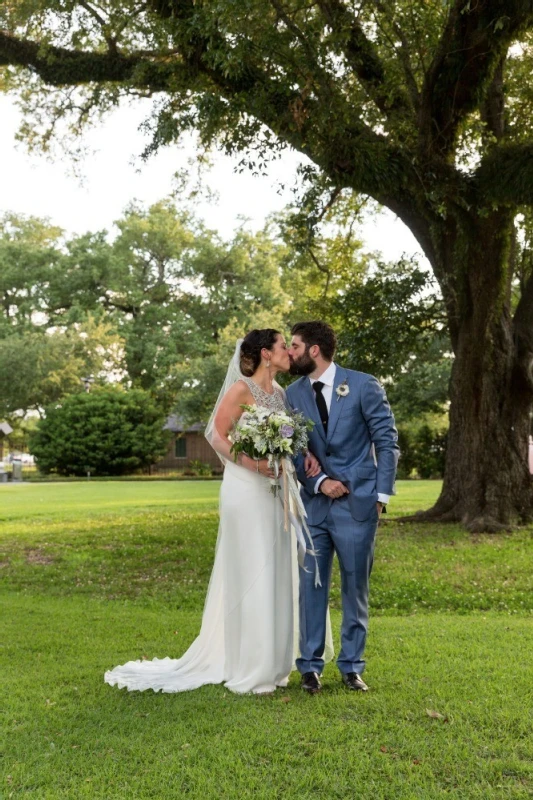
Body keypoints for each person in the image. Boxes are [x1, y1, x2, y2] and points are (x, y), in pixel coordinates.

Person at [104, 329, 323, 695]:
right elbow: (216, 435)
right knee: (252, 566)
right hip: (246, 490)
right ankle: (248, 664)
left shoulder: (281, 394)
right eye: (283, 345)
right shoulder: (241, 390)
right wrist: (253, 464)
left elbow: (286, 443)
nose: (289, 350)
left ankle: (273, 661)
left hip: (276, 490)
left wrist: (298, 456)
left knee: (276, 568)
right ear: (266, 354)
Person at [286, 320, 399, 694]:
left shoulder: (364, 385)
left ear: (314, 350)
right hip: (314, 506)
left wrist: (381, 497)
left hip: (359, 504)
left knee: (355, 586)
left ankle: (352, 667)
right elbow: (292, 449)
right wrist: (318, 481)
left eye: (295, 345)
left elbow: (387, 441)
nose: (290, 352)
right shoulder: (293, 394)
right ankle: (310, 667)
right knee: (310, 586)